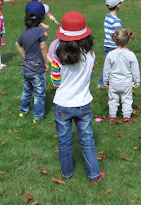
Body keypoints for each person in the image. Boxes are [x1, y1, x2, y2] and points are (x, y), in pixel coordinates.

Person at [50, 11, 105, 182]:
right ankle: (94, 175)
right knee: (87, 140)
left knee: (64, 143)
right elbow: (90, 76)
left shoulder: (58, 58)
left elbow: (56, 83)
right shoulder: (91, 55)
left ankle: (66, 174)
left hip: (62, 105)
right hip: (83, 104)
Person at [15, 1, 51, 123]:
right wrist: (46, 62)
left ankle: (22, 112)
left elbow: (17, 44)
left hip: (26, 67)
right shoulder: (41, 31)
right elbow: (43, 48)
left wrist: (25, 57)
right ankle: (37, 117)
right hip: (37, 68)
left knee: (27, 90)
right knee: (39, 93)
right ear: (42, 17)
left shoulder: (25, 31)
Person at [103, 27, 140, 121]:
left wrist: (105, 80)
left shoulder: (110, 54)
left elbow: (106, 69)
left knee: (113, 100)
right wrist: (137, 81)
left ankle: (112, 116)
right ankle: (127, 116)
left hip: (113, 83)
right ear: (128, 41)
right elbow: (135, 70)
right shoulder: (131, 55)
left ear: (114, 40)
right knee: (127, 100)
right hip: (126, 83)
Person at [98, 0, 126, 88]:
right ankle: (116, 82)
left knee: (107, 65)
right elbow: (118, 34)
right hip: (114, 46)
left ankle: (102, 82)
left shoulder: (107, 17)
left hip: (107, 45)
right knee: (117, 65)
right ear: (118, 5)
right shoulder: (116, 20)